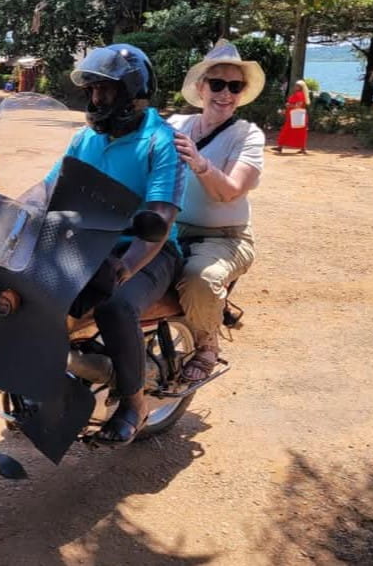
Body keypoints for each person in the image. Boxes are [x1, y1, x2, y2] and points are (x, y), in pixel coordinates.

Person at [49, 44, 185, 445]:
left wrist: (125, 267)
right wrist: (7, 213)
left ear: (131, 93)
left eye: (104, 91)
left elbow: (159, 218)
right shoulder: (84, 139)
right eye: (91, 90)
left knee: (114, 303)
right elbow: (48, 188)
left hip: (149, 250)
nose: (95, 99)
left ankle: (134, 402)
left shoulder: (162, 142)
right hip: (89, 244)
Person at [167, 40, 266, 381]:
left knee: (200, 278)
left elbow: (231, 192)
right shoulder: (176, 124)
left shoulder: (248, 135)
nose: (225, 93)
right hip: (171, 228)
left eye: (234, 86)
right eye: (217, 84)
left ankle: (207, 346)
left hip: (224, 238)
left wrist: (199, 163)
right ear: (200, 87)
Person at [273, 79, 310, 154]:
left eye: (297, 85)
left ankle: (280, 147)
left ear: (300, 87)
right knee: (300, 132)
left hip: (295, 116)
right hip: (296, 116)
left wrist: (289, 105)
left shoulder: (299, 94)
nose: (295, 86)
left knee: (287, 130)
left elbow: (298, 105)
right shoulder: (300, 94)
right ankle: (302, 148)